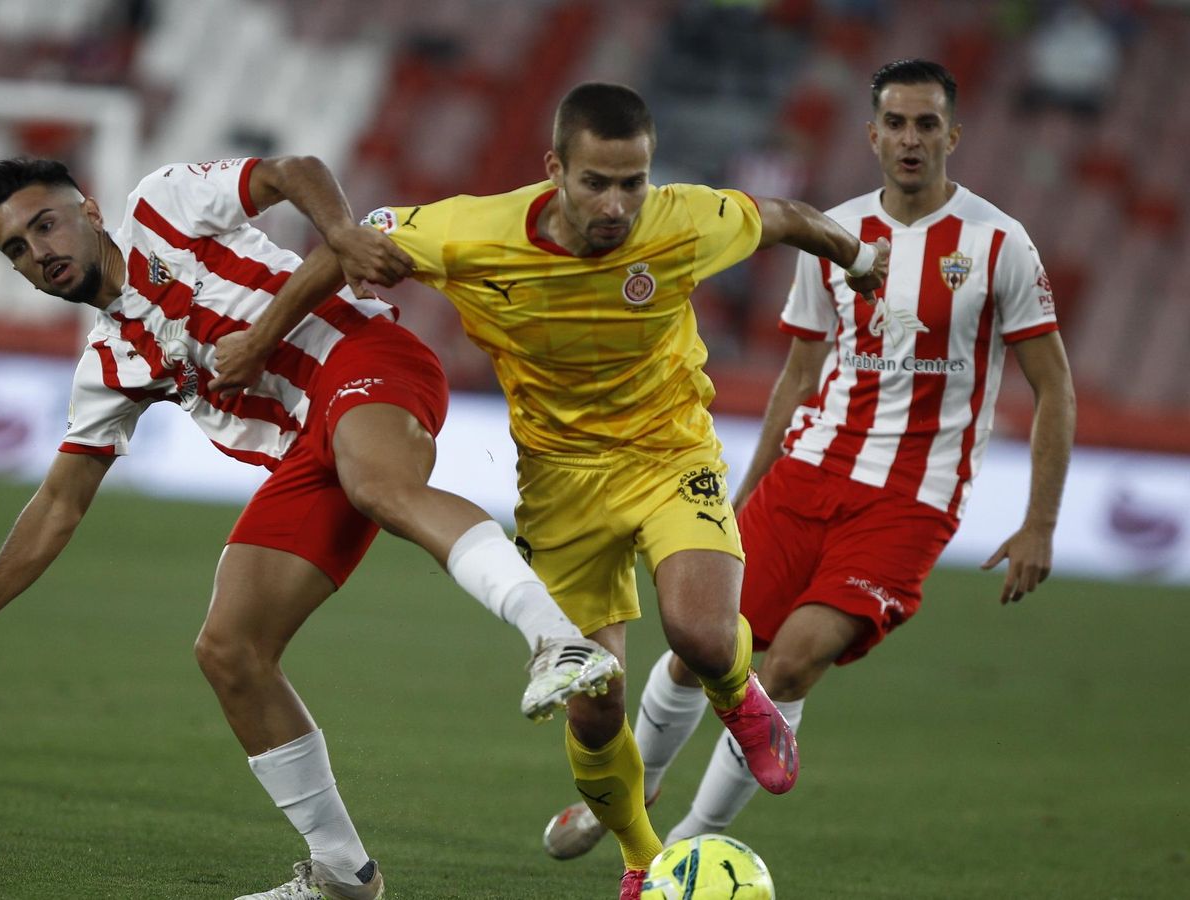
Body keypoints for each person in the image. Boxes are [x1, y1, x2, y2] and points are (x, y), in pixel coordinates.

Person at [210, 82, 890, 899]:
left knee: (703, 634)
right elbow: (346, 247)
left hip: (671, 453)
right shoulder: (472, 232)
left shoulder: (686, 220)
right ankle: (645, 860)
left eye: (633, 181)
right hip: (559, 483)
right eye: (596, 182)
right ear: (554, 171)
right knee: (595, 703)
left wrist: (857, 259)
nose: (618, 203)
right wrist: (258, 338)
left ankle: (741, 696)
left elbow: (784, 215)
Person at [0, 154, 622, 900]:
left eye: (45, 224)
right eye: (18, 251)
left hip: (362, 356)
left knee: (379, 482)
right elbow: (59, 504)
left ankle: (556, 637)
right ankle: (343, 874)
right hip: (308, 457)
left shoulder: (164, 204)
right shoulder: (108, 366)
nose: (41, 252)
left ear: (88, 210)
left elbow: (293, 171)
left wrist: (342, 233)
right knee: (230, 650)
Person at [541, 58, 1075, 854]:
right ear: (871, 134)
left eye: (927, 124)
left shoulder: (1001, 245)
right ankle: (631, 789)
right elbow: (798, 373)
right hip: (806, 472)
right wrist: (742, 491)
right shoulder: (833, 231)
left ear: (953, 136)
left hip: (912, 498)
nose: (910, 138)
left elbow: (1054, 387)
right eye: (895, 122)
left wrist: (1040, 523)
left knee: (785, 669)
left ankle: (684, 851)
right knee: (702, 648)